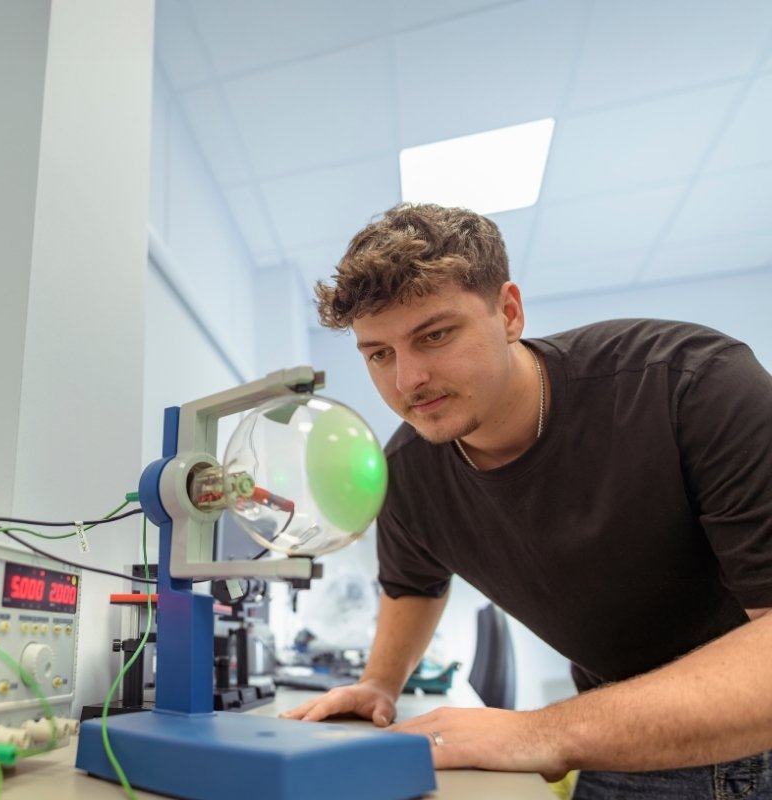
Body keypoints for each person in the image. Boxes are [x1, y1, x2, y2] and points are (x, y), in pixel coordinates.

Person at [280, 202, 772, 799]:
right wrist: (379, 685)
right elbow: (413, 583)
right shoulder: (408, 470)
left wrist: (536, 732)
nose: (408, 379)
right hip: (614, 741)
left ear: (508, 311)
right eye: (380, 354)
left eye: (434, 335)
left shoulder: (691, 385)